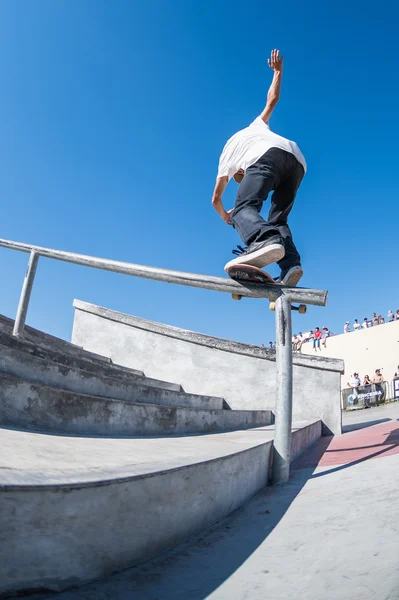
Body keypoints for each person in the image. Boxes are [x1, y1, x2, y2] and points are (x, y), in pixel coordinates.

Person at [212, 49, 307, 286]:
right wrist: (277, 73)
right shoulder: (254, 126)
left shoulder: (227, 161)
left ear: (240, 173)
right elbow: (272, 100)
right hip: (296, 160)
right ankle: (290, 265)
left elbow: (215, 199)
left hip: (266, 156)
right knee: (278, 220)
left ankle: (263, 239)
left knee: (243, 207)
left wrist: (227, 216)